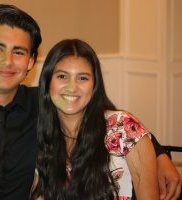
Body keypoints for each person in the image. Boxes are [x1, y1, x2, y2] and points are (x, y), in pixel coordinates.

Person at [0, 4, 181, 200]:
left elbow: (107, 120)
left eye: (19, 52)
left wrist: (159, 154)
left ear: (31, 62)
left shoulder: (43, 105)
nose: (7, 61)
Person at [31, 39, 180, 200]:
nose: (72, 87)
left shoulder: (123, 128)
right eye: (62, 76)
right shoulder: (40, 136)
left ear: (94, 85)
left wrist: (161, 156)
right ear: (47, 82)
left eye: (82, 78)